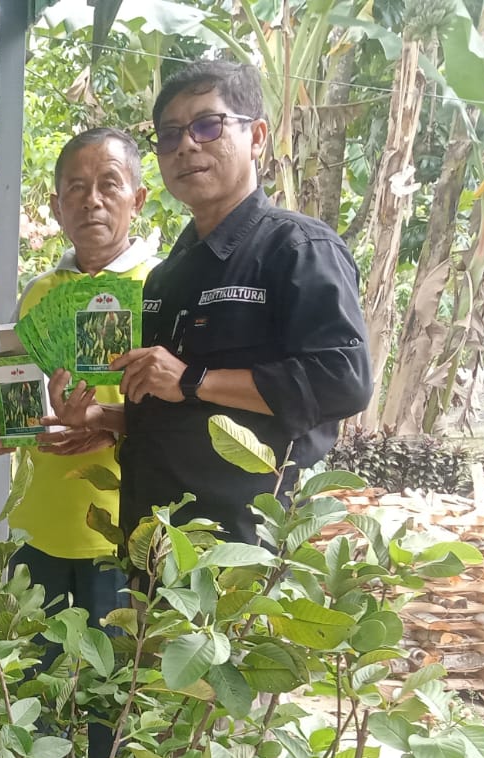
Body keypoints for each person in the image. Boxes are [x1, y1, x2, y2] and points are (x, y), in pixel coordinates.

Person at [51, 61, 372, 545]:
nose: (187, 145)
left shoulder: (297, 249)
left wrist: (193, 379)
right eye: (171, 134)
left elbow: (342, 381)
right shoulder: (165, 278)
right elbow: (171, 409)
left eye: (208, 125)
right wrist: (100, 418)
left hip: (244, 557)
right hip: (153, 549)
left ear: (257, 136)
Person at [0, 127, 158, 758]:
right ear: (54, 206)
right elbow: (13, 402)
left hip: (122, 535)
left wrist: (112, 425)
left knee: (115, 716)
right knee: (39, 711)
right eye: (75, 188)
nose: (92, 202)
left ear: (138, 199)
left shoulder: (159, 289)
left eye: (109, 184)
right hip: (40, 532)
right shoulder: (38, 295)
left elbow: (182, 411)